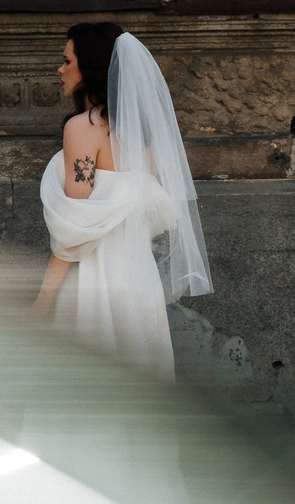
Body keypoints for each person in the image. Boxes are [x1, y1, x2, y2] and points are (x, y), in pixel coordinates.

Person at [32, 23, 212, 378]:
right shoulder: (144, 139)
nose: (60, 69)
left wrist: (44, 298)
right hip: (138, 279)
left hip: (94, 280)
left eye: (67, 61)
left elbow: (76, 224)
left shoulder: (83, 128)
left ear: (90, 66)